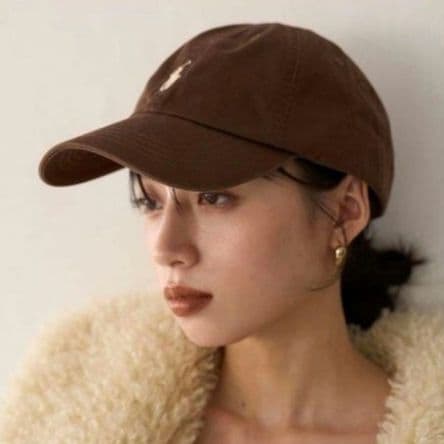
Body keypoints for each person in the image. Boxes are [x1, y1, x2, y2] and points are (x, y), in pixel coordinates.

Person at [1, 22, 443, 444]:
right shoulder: (64, 418)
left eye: (213, 198)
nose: (166, 248)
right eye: (150, 202)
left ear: (344, 213)